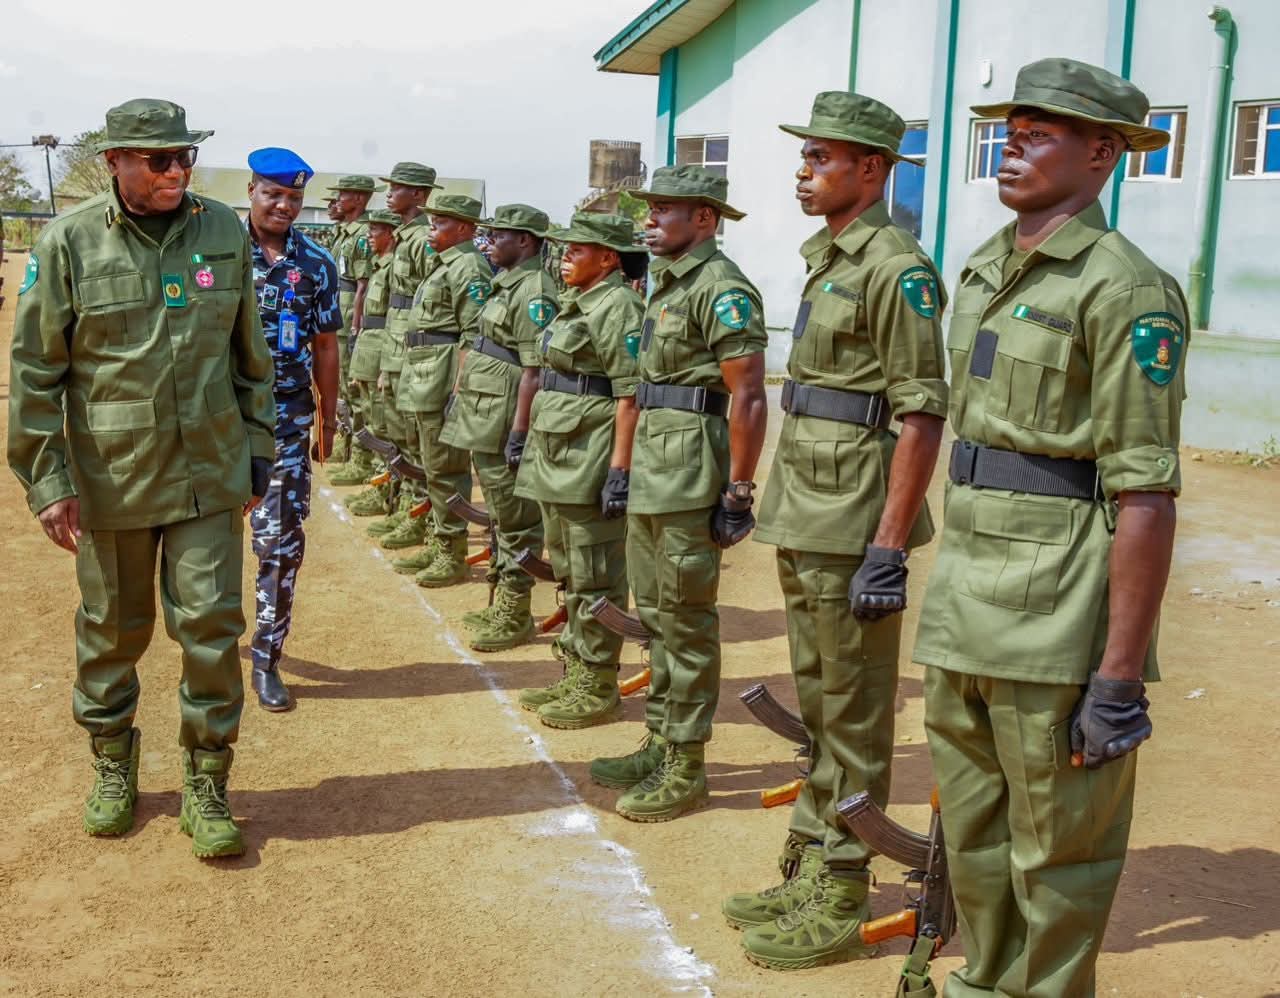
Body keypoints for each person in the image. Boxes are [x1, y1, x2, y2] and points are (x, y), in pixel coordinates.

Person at [912, 58, 1188, 998]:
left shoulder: (1125, 288)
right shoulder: (986, 265)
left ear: (1102, 153)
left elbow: (1144, 492)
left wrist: (1118, 676)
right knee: (975, 831)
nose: (1012, 146)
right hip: (967, 593)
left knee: (1060, 850)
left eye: (1039, 134)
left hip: (1054, 609)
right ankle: (983, 983)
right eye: (1010, 130)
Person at [6, 98, 275, 859]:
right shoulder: (68, 242)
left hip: (209, 471)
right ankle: (112, 764)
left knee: (212, 628)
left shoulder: (222, 231)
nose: (177, 170)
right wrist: (48, 479)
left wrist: (259, 446)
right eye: (159, 159)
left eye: (184, 155)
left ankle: (207, 780)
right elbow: (35, 372)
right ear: (114, 161)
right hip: (112, 476)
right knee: (112, 631)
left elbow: (249, 350)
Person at [719, 91, 950, 970]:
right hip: (810, 506)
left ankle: (845, 888)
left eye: (821, 158)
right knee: (819, 702)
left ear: (872, 169)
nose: (803, 173)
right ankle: (814, 860)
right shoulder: (831, 258)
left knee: (851, 710)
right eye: (805, 156)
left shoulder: (897, 269)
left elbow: (920, 414)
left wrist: (888, 548)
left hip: (853, 519)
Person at [589, 165, 768, 822]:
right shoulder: (667, 285)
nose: (650, 219)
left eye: (664, 209)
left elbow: (749, 396)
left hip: (691, 473)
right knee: (659, 617)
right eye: (650, 208)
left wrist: (738, 492)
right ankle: (662, 742)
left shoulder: (721, 288)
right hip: (655, 470)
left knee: (686, 621)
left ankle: (687, 765)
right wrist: (624, 468)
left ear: (705, 218)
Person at [513, 212, 646, 726]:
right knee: (571, 569)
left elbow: (630, 395)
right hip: (560, 452)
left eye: (576, 249)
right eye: (564, 249)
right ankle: (576, 669)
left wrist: (620, 470)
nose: (564, 257)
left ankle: (597, 684)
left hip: (590, 453)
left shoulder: (619, 306)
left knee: (597, 574)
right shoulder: (579, 301)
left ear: (608, 258)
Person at [244, 148, 341, 712]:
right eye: (274, 194)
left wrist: (328, 418)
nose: (284, 205)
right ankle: (207, 647)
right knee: (197, 543)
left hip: (285, 420)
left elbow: (325, 345)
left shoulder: (317, 264)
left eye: (294, 197)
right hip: (215, 422)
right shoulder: (215, 253)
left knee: (279, 546)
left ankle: (266, 658)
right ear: (252, 192)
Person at [440, 204, 558, 650]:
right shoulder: (508, 281)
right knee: (499, 509)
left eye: (498, 236)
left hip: (505, 412)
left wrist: (520, 431)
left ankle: (515, 610)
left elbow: (534, 370)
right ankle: (500, 596)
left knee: (515, 516)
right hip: (486, 408)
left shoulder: (535, 290)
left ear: (524, 241)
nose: (488, 243)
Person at [391, 193, 493, 587]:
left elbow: (474, 334)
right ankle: (439, 541)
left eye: (441, 223)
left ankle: (452, 552)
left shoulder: (468, 266)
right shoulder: (445, 262)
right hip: (425, 370)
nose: (431, 229)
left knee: (446, 469)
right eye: (431, 222)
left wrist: (459, 389)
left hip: (443, 375)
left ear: (464, 228)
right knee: (432, 465)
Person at [348, 162, 438, 542]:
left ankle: (417, 516)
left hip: (410, 349)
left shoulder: (421, 240)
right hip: (394, 343)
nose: (388, 194)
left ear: (417, 194)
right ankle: (401, 504)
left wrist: (411, 354)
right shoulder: (405, 237)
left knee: (414, 438)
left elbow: (428, 302)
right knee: (396, 432)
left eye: (397, 187)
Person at [323, 174, 380, 482]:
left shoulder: (361, 235)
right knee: (342, 387)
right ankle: (345, 447)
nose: (337, 200)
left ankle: (362, 458)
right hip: (338, 312)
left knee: (355, 391)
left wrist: (358, 326)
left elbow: (363, 285)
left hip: (348, 318)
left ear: (358, 199)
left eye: (342, 195)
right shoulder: (347, 233)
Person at [346, 209, 400, 499]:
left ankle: (387, 490)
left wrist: (385, 366)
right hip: (369, 342)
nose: (369, 236)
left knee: (381, 422)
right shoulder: (379, 265)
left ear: (390, 234)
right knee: (369, 414)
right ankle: (378, 482)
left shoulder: (393, 268)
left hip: (382, 347)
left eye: (375, 230)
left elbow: (395, 319)